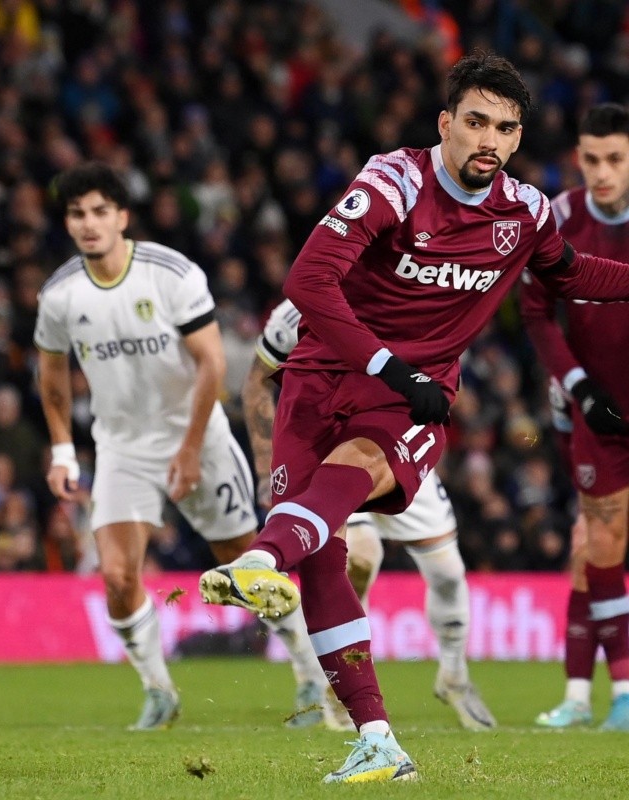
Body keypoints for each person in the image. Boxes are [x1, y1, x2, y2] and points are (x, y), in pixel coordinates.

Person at [198, 50, 629, 784]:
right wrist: (382, 364)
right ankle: (377, 740)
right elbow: (310, 278)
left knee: (350, 481)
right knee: (326, 555)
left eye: (505, 127)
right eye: (474, 122)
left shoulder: (523, 212)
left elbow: (568, 274)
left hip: (414, 397)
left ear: (519, 138)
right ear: (445, 124)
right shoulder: (394, 180)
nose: (488, 140)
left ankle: (261, 559)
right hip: (323, 373)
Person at [33, 162, 327, 731]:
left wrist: (190, 449)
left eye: (99, 212)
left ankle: (309, 670)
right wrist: (64, 453)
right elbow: (50, 378)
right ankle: (158, 690)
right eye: (77, 214)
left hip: (200, 435)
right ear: (68, 223)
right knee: (117, 577)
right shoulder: (60, 295)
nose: (89, 224)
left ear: (122, 217)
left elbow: (211, 364)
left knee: (247, 568)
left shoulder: (171, 274)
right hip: (120, 446)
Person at [243, 297, 496, 732]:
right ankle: (342, 681)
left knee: (449, 573)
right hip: (333, 451)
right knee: (358, 558)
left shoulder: (419, 296)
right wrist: (268, 461)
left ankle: (454, 675)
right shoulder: (295, 312)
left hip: (393, 441)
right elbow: (256, 384)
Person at [520, 103, 629, 731]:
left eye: (615, 159)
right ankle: (608, 695)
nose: (602, 172)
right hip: (595, 414)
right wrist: (581, 387)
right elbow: (536, 314)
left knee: (591, 550)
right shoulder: (561, 218)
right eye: (591, 159)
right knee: (592, 549)